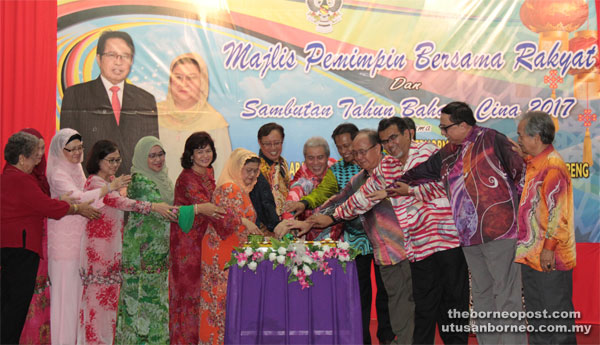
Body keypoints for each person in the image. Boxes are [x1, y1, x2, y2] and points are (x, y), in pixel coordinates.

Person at [399, 101, 527, 344]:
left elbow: (521, 173)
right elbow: (420, 172)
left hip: (500, 231)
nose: (443, 132)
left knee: (506, 293)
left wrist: (515, 213)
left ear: (464, 124)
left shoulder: (493, 140)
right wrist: (396, 185)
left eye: (445, 127)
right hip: (468, 236)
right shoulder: (447, 153)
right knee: (482, 294)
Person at [285, 123, 395, 345]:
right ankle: (362, 339)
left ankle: (387, 338)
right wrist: (304, 203)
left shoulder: (380, 167)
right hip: (356, 242)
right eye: (340, 147)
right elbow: (325, 196)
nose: (346, 152)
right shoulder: (338, 171)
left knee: (387, 293)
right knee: (360, 295)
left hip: (385, 241)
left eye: (349, 147)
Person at [363, 117, 469, 344]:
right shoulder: (388, 165)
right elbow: (361, 196)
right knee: (423, 310)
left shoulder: (430, 153)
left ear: (409, 133)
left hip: (447, 243)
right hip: (419, 249)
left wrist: (410, 191)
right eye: (385, 141)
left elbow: (447, 186)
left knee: (453, 306)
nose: (390, 145)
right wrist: (330, 216)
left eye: (393, 137)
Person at [308, 130, 414, 345]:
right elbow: (338, 201)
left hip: (410, 251)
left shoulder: (396, 169)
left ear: (378, 148)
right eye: (355, 153)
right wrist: (308, 220)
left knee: (409, 307)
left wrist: (330, 218)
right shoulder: (360, 179)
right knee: (398, 306)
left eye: (362, 152)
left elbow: (353, 204)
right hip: (385, 254)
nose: (358, 157)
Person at [1, 131, 99, 344]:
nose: (38, 161)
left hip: (12, 246)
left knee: (9, 302)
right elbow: (47, 206)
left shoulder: (9, 176)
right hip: (22, 247)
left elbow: (40, 203)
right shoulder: (21, 180)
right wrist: (75, 207)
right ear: (21, 158)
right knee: (15, 305)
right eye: (34, 156)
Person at [79, 140, 175, 345]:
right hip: (99, 252)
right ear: (98, 160)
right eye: (110, 160)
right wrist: (152, 206)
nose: (114, 164)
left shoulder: (113, 181)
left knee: (112, 308)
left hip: (115, 250)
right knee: (97, 307)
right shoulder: (95, 183)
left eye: (117, 160)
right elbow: (119, 202)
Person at [46, 128, 129, 345]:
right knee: (66, 301)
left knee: (78, 301)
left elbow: (93, 202)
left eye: (80, 147)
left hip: (81, 243)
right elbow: (80, 198)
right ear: (59, 149)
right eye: (71, 149)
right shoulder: (58, 173)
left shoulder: (77, 170)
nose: (76, 153)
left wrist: (111, 192)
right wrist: (109, 187)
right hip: (64, 245)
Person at [514, 111, 577, 345]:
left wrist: (549, 248)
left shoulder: (553, 166)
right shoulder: (534, 165)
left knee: (556, 318)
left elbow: (558, 214)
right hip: (532, 255)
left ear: (536, 137)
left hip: (550, 256)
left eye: (521, 135)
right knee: (538, 317)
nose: (518, 138)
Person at [60, 30, 158, 175]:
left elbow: (153, 151)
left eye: (125, 56)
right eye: (111, 55)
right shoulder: (75, 95)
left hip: (134, 187)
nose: (118, 61)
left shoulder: (145, 99)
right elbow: (68, 148)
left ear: (131, 61)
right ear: (99, 59)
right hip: (91, 186)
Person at [199, 148, 268, 344]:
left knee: (226, 302)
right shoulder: (229, 187)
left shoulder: (241, 189)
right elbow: (223, 221)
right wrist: (244, 222)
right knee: (218, 303)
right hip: (221, 253)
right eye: (249, 170)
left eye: (256, 171)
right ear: (237, 168)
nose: (252, 175)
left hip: (230, 252)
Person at [115, 136, 178, 344]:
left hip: (158, 252)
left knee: (155, 303)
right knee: (140, 303)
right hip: (142, 255)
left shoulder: (165, 180)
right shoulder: (139, 181)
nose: (158, 160)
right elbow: (165, 211)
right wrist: (199, 209)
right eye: (152, 156)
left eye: (161, 154)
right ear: (142, 157)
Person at [169, 132, 229, 345]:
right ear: (190, 155)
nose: (205, 155)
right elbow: (212, 210)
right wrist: (241, 223)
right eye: (199, 151)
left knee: (202, 298)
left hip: (204, 245)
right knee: (189, 299)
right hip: (187, 248)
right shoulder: (187, 178)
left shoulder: (209, 174)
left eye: (208, 150)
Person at [158, 53, 232, 181]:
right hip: (159, 197)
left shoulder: (214, 120)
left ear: (202, 81)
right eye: (178, 77)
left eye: (191, 78)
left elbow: (223, 170)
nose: (184, 83)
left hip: (200, 198)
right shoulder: (155, 115)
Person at [18, 128, 52, 345]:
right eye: (35, 148)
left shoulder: (42, 176)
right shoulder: (18, 177)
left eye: (42, 147)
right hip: (26, 244)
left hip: (44, 242)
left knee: (41, 293)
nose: (40, 153)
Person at [278, 136, 336, 240]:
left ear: (327, 157)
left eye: (320, 157)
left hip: (339, 231)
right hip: (310, 236)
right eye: (310, 158)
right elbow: (293, 199)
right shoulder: (302, 177)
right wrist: (287, 222)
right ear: (304, 158)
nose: (315, 162)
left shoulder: (337, 170)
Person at [250, 122, 290, 233]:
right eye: (267, 144)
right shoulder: (255, 169)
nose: (273, 148)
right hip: (267, 230)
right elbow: (264, 203)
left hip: (285, 224)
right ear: (259, 143)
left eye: (277, 143)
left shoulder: (282, 163)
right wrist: (277, 226)